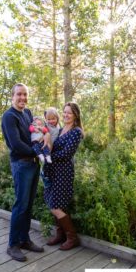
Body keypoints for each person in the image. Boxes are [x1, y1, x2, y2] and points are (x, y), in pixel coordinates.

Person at [1, 83, 50, 262]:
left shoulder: (27, 113)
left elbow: (35, 133)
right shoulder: (9, 116)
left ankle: (24, 240)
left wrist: (45, 135)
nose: (22, 98)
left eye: (25, 95)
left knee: (28, 204)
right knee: (20, 205)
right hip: (21, 165)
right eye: (19, 94)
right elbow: (16, 144)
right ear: (12, 96)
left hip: (33, 164)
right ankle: (12, 245)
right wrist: (37, 151)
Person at [44, 102, 84, 250]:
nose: (66, 115)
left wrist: (49, 155)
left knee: (55, 205)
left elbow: (67, 154)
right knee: (54, 202)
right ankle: (61, 234)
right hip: (53, 171)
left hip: (64, 172)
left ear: (75, 115)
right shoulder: (60, 130)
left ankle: (72, 237)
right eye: (65, 112)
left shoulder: (76, 131)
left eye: (69, 113)